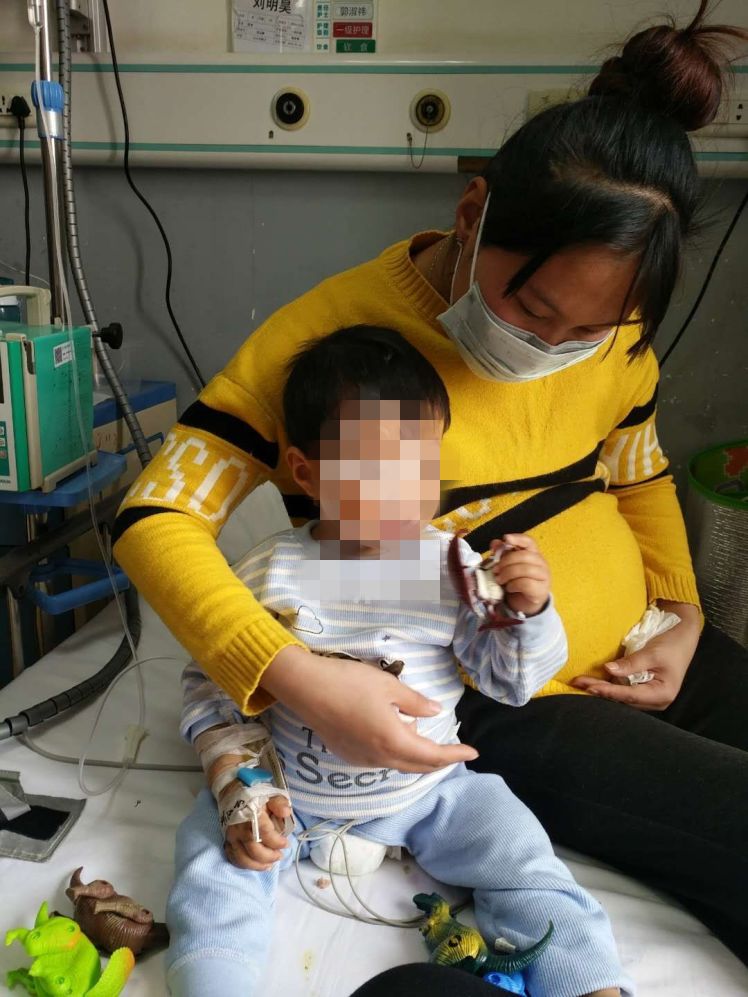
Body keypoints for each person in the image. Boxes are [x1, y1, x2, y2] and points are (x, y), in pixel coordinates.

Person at [113, 0, 748, 971]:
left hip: (644, 651)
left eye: (586, 332)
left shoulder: (618, 338)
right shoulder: (326, 343)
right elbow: (155, 517)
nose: (550, 347)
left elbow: (639, 473)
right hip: (493, 690)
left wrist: (681, 612)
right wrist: (297, 678)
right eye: (530, 309)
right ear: (471, 213)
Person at [166, 326, 628, 997]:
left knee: (520, 853)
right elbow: (212, 684)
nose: (405, 493)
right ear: (307, 473)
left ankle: (587, 981)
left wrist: (526, 614)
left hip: (429, 795)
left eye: (422, 467)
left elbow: (511, 682)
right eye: (373, 468)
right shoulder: (271, 572)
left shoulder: (450, 566)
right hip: (292, 794)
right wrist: (242, 788)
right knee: (213, 859)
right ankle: (213, 980)